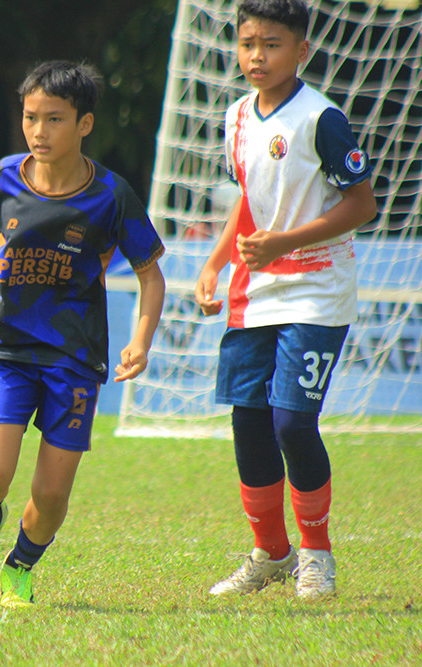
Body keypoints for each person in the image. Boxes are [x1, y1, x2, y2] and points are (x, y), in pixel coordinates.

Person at [0, 61, 166, 608]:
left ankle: (20, 565)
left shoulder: (111, 194)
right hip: (6, 347)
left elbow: (150, 275)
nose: (39, 131)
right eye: (31, 118)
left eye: (54, 119)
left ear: (84, 124)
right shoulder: (6, 175)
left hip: (74, 358)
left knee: (51, 496)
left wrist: (141, 339)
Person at [195, 0, 376, 599]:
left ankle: (316, 555)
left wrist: (284, 244)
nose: (256, 56)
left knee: (293, 423)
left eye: (271, 45)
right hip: (254, 294)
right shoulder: (237, 117)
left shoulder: (322, 118)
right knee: (248, 423)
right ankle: (271, 554)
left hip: (317, 290)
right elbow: (247, 200)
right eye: (248, 44)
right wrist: (216, 264)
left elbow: (360, 205)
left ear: (301, 51)